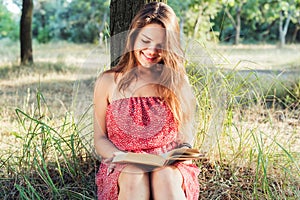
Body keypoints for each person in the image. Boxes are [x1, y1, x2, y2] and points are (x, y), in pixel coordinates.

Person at [93, 2, 200, 200]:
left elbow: (186, 137)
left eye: (161, 45)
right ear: (133, 37)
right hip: (124, 163)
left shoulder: (177, 81)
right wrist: (122, 157)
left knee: (165, 176)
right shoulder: (108, 81)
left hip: (167, 165)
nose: (152, 51)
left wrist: (176, 155)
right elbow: (100, 139)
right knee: (134, 175)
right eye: (146, 40)